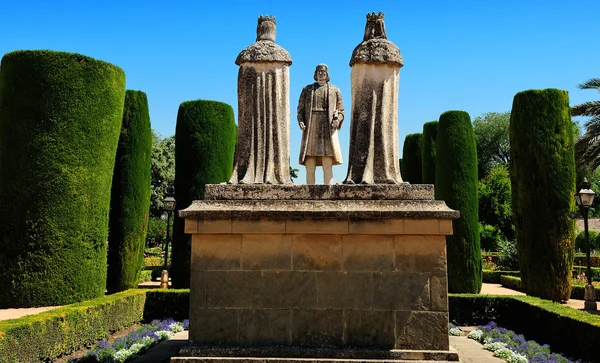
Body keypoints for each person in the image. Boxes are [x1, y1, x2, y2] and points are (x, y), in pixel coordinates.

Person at [297, 64, 344, 185]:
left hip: (327, 128)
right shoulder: (307, 89)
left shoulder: (335, 90)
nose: (321, 74)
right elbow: (300, 110)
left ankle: (328, 191)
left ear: (327, 74)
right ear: (315, 73)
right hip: (311, 127)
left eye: (323, 72)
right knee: (309, 164)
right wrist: (301, 120)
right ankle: (309, 191)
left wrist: (337, 119)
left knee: (327, 164)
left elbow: (341, 110)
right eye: (319, 72)